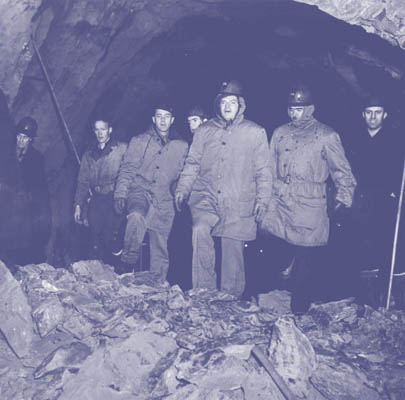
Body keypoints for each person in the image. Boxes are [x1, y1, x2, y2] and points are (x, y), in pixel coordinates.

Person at [261, 84, 356, 314]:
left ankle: (299, 311)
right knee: (275, 251)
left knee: (305, 259)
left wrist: (344, 195)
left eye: (300, 108)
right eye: (292, 108)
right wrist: (265, 195)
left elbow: (341, 170)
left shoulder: (326, 135)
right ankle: (275, 301)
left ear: (310, 108)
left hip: (310, 203)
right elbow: (268, 166)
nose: (295, 113)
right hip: (281, 200)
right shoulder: (280, 132)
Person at [175, 80, 272, 298]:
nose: (228, 106)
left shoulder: (255, 132)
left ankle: (230, 297)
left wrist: (262, 201)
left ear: (241, 104)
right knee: (199, 230)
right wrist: (183, 188)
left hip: (238, 200)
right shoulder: (204, 131)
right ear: (218, 105)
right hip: (206, 197)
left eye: (232, 102)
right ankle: (203, 291)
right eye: (224, 102)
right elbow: (192, 163)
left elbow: (264, 171)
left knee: (232, 247)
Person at [114, 103, 188, 279]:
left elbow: (187, 172)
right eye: (159, 116)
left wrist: (181, 189)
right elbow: (127, 169)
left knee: (160, 243)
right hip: (140, 190)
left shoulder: (182, 146)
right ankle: (128, 261)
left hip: (165, 199)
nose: (163, 120)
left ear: (172, 120)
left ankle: (158, 283)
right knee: (136, 216)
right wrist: (120, 193)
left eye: (166, 117)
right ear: (154, 119)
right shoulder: (139, 141)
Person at [348, 95, 404, 308]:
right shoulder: (355, 139)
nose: (373, 117)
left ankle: (392, 298)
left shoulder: (396, 141)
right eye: (369, 112)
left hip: (386, 204)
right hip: (361, 202)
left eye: (377, 112)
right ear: (363, 114)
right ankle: (366, 300)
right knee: (363, 250)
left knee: (389, 250)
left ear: (385, 115)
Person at [74, 117, 127, 266]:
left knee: (110, 237)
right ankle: (99, 274)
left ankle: (119, 268)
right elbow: (82, 181)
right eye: (97, 129)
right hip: (97, 199)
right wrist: (78, 204)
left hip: (114, 198)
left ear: (110, 130)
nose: (100, 133)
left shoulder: (121, 149)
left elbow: (129, 173)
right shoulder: (89, 154)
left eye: (103, 129)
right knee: (94, 237)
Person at [12, 116, 51, 263]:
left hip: (26, 202)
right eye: (19, 136)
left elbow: (38, 186)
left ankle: (32, 258)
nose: (21, 141)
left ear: (31, 140)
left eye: (25, 138)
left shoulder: (36, 158)